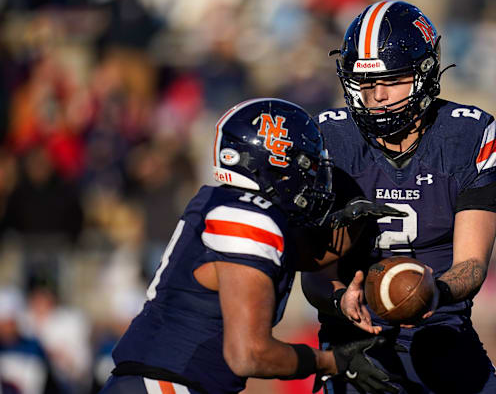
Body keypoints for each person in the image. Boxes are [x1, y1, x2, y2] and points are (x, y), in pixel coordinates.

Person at [99, 98, 405, 394]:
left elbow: (300, 258)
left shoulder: (227, 203)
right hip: (168, 384)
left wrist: (351, 226)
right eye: (306, 166)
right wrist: (332, 361)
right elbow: (249, 354)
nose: (312, 178)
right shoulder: (248, 218)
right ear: (275, 165)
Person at [302, 0, 496, 394]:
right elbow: (314, 276)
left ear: (425, 73)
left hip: (442, 335)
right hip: (356, 342)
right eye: (365, 82)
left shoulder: (467, 134)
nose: (377, 95)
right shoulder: (330, 139)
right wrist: (342, 299)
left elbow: (471, 265)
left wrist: (431, 291)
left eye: (392, 79)